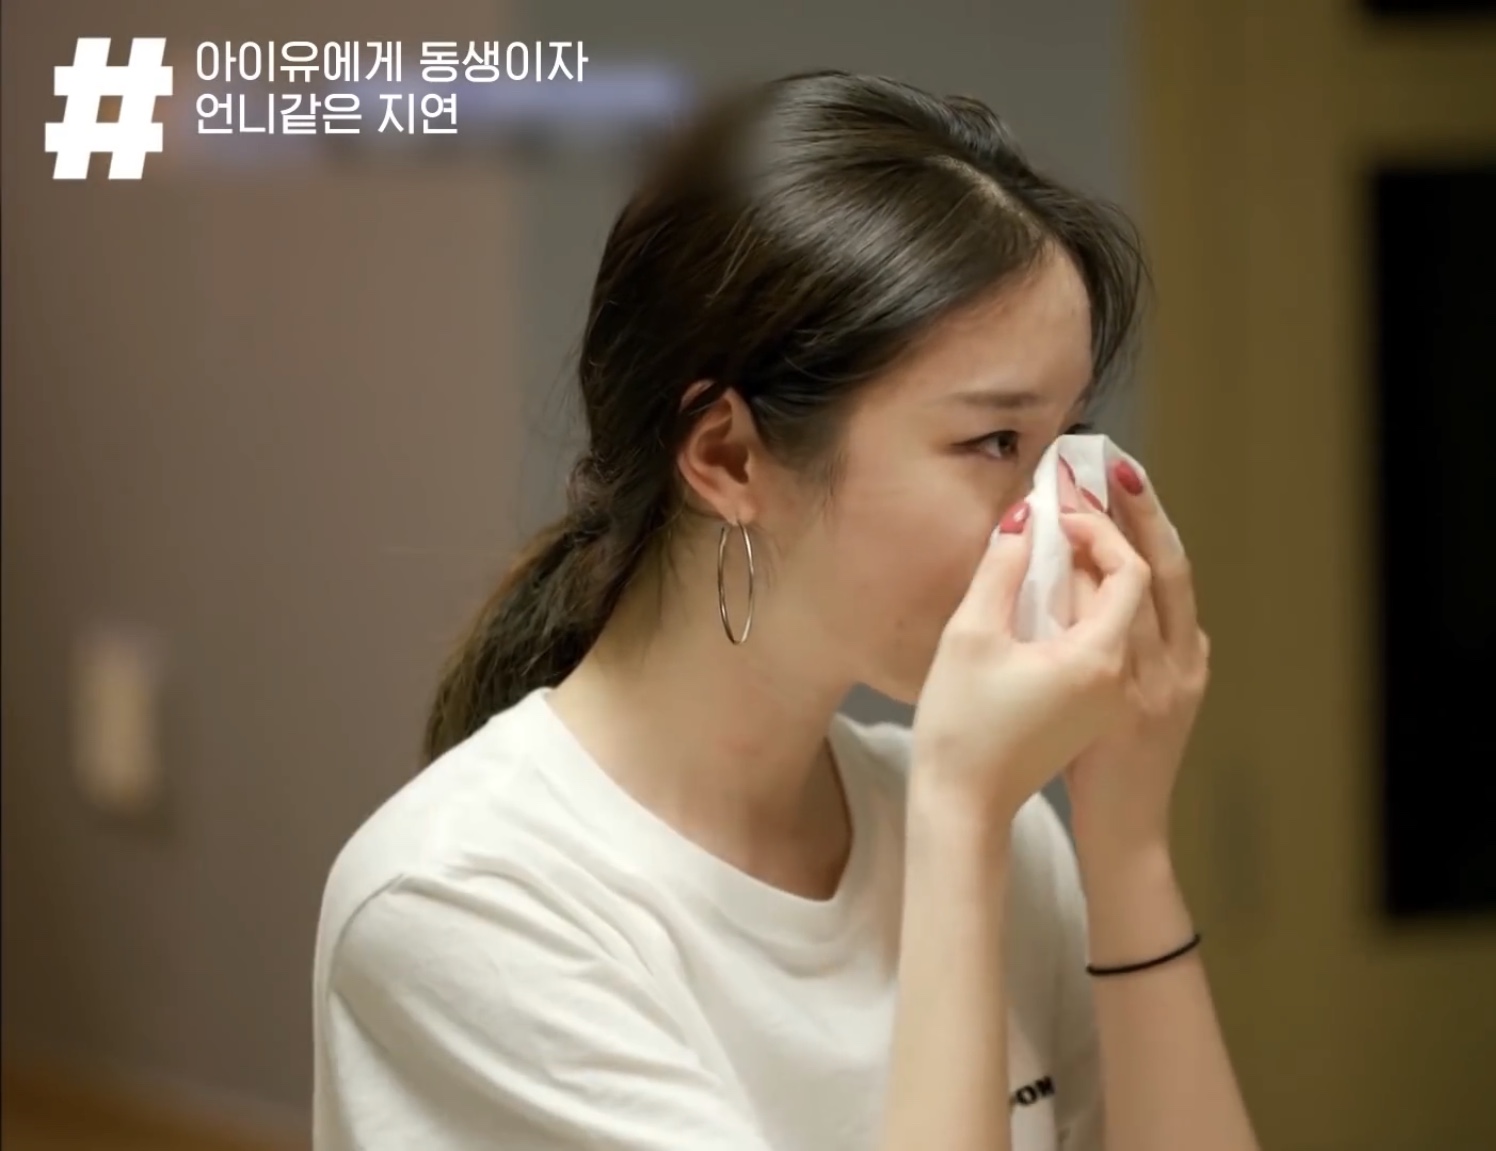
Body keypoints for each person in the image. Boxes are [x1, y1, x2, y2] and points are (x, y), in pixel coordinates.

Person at [312, 70, 1259, 1151]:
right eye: (995, 442)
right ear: (726, 455)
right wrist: (957, 825)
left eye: (1063, 445)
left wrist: (1125, 843)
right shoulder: (463, 902)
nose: (1059, 517)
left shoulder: (985, 825)